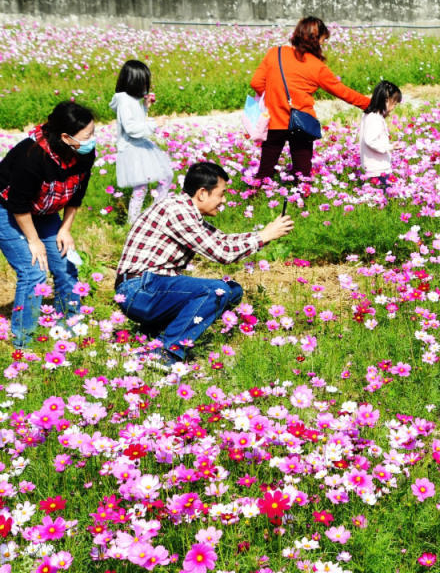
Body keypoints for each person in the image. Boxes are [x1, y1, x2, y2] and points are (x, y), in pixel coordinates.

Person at [114, 161, 293, 365]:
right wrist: (262, 236)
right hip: (138, 290)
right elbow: (222, 254)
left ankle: (155, 332)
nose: (223, 200)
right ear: (202, 193)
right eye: (221, 194)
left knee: (232, 290)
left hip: (151, 287)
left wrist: (264, 235)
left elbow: (222, 240)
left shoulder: (186, 211)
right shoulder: (177, 211)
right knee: (216, 291)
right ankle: (166, 351)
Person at [0, 101, 96, 347]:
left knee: (65, 263)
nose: (92, 140)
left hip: (43, 210)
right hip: (8, 209)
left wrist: (65, 229)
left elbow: (77, 193)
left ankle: (70, 324)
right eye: (87, 136)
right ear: (65, 137)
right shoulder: (31, 156)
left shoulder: (84, 153)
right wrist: (34, 241)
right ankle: (25, 340)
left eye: (92, 133)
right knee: (34, 271)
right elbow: (18, 204)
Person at [250, 16, 371, 181]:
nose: (322, 44)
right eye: (322, 40)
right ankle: (300, 201)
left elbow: (256, 82)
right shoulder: (317, 66)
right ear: (315, 39)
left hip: (274, 121)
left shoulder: (275, 53)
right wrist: (370, 104)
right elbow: (342, 91)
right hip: (301, 122)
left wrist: (274, 97)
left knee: (264, 171)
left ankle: (255, 197)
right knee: (302, 175)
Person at [110, 59, 174, 225]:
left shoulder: (129, 99)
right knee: (141, 187)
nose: (147, 86)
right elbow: (131, 128)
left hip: (139, 146)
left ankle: (155, 214)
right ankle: (135, 223)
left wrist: (145, 107)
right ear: (134, 82)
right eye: (144, 83)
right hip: (133, 148)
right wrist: (155, 123)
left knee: (165, 176)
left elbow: (135, 119)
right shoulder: (124, 101)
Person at [358, 80, 402, 192]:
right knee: (383, 197)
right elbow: (370, 140)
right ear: (386, 100)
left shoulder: (370, 115)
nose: (393, 108)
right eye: (394, 104)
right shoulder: (374, 118)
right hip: (377, 169)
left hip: (375, 167)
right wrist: (389, 147)